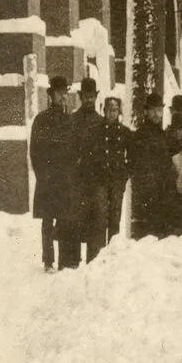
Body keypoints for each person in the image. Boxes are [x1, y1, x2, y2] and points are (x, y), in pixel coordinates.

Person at [30, 74, 81, 270]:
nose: (62, 96)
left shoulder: (70, 121)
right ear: (51, 95)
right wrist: (42, 176)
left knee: (65, 219)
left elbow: (76, 149)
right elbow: (35, 151)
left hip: (65, 178)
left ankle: (64, 261)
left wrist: (71, 173)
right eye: (59, 93)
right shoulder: (41, 120)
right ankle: (48, 260)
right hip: (48, 178)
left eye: (64, 93)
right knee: (47, 221)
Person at [130, 94, 174, 239]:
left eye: (159, 110)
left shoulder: (164, 136)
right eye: (153, 110)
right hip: (146, 197)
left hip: (162, 195)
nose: (156, 114)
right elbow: (138, 167)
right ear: (146, 111)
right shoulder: (139, 136)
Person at [73, 77, 108, 263]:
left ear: (95, 97)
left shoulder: (102, 122)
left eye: (92, 96)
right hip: (77, 180)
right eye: (86, 96)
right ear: (80, 96)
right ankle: (72, 263)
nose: (89, 100)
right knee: (76, 221)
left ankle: (94, 261)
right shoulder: (72, 121)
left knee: (97, 221)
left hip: (97, 180)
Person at [97, 94, 132, 246]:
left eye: (115, 110)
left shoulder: (124, 132)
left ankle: (113, 252)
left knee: (115, 219)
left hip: (117, 181)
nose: (112, 113)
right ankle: (100, 253)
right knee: (100, 217)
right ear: (104, 111)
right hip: (101, 181)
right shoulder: (97, 131)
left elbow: (131, 157)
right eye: (109, 110)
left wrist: (125, 175)